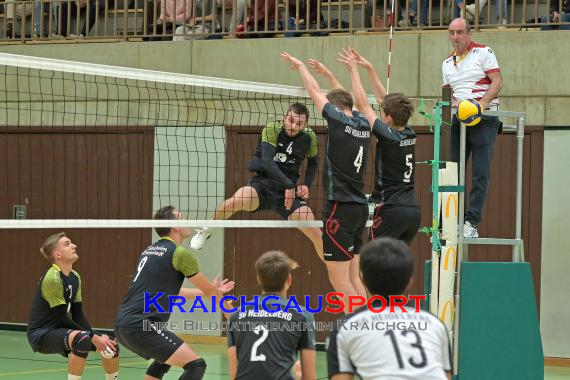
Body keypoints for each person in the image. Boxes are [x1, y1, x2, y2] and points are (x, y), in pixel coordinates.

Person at [281, 52, 371, 309]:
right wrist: (332, 75)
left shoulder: (336, 120)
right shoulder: (362, 122)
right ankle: (368, 326)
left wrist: (301, 66)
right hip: (359, 208)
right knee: (354, 277)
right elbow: (350, 99)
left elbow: (313, 91)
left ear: (333, 109)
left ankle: (358, 331)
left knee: (339, 278)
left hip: (339, 209)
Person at [114, 205, 235, 380]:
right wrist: (230, 313)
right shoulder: (179, 254)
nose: (186, 220)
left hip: (124, 324)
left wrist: (208, 292)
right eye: (182, 217)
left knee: (163, 361)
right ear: (175, 226)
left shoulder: (150, 250)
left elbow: (172, 293)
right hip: (140, 324)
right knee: (196, 365)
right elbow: (209, 289)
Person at [191, 103, 323, 260]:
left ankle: (333, 268)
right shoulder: (272, 128)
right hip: (263, 185)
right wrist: (289, 184)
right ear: (285, 118)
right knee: (236, 201)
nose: (293, 126)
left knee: (315, 231)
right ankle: (206, 229)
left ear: (305, 124)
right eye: (290, 120)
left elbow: (313, 163)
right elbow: (267, 163)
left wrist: (306, 185)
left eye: (299, 123)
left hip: (287, 195)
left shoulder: (310, 137)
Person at [327, 238, 453, 380]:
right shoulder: (435, 324)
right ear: (409, 282)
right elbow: (446, 376)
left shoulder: (345, 328)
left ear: (363, 282)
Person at [338, 48, 420, 245]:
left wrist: (353, 70)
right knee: (395, 265)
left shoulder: (388, 136)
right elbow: (387, 101)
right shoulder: (409, 132)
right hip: (412, 212)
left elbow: (362, 104)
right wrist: (370, 69)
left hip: (391, 209)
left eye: (384, 114)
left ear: (388, 119)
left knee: (373, 259)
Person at [27, 232, 120, 380]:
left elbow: (78, 315)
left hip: (60, 329)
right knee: (83, 339)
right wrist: (93, 336)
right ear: (58, 255)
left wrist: (97, 337)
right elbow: (61, 318)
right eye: (67, 244)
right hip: (41, 334)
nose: (74, 245)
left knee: (110, 344)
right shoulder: (53, 278)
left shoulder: (75, 276)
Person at [442, 18, 503, 238]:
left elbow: (497, 81)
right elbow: (447, 94)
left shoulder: (483, 52)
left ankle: (471, 222)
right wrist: (451, 106)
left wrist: (482, 104)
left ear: (469, 33)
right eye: (452, 33)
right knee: (453, 171)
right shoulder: (447, 63)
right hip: (459, 120)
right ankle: (451, 220)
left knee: (480, 172)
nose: (456, 37)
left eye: (459, 32)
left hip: (484, 118)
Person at [227, 250, 316, 380]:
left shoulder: (236, 316)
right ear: (289, 280)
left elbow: (234, 374)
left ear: (259, 279)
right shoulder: (302, 316)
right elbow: (309, 377)